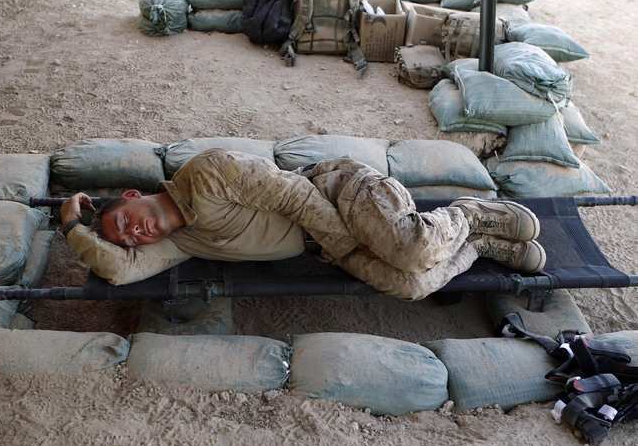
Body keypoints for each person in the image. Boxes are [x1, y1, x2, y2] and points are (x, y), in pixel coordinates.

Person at [60, 149, 545, 300]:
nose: (134, 234)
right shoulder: (180, 242)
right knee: (411, 287)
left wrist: (353, 251)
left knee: (410, 251)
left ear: (131, 196)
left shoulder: (206, 172)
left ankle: (471, 214)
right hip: (328, 244)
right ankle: (478, 245)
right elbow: (117, 270)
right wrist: (71, 229)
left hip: (337, 192)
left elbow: (295, 194)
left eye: (125, 220)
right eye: (125, 239)